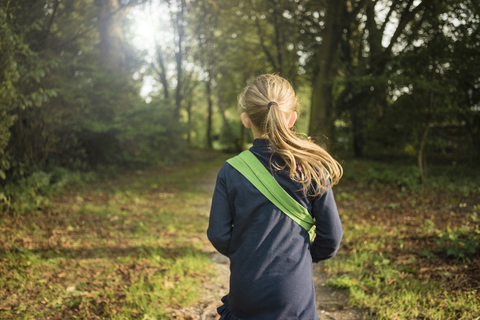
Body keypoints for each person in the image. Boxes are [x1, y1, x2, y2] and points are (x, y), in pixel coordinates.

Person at [207, 74, 343, 320]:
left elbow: (218, 234)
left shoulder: (231, 170)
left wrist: (247, 253)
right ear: (292, 118)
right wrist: (302, 256)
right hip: (294, 295)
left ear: (246, 119)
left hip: (246, 290)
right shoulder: (312, 168)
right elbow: (331, 236)